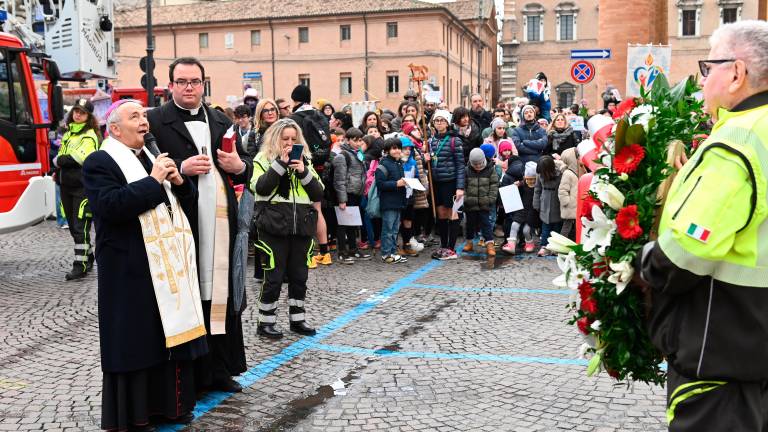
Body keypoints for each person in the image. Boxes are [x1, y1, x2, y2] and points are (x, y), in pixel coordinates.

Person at [636, 20, 768, 431]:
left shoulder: (738, 141)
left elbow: (689, 249)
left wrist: (643, 263)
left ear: (737, 73)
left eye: (708, 67)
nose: (703, 79)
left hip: (723, 346)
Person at [83, 100, 208, 431]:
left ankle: (170, 407)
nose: (144, 121)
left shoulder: (152, 156)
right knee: (136, 341)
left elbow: (182, 206)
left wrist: (180, 183)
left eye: (144, 115)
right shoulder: (100, 161)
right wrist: (153, 182)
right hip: (129, 267)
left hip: (165, 266)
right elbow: (110, 206)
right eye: (134, 116)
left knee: (165, 337)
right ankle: (137, 415)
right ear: (114, 129)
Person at [147, 57, 250, 393]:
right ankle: (188, 375)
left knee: (220, 293)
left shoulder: (221, 119)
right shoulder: (155, 120)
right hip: (181, 220)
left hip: (220, 224)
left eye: (194, 81)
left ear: (203, 84)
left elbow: (247, 164)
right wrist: (181, 167)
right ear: (170, 85)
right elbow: (143, 165)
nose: (189, 87)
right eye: (182, 81)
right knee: (188, 295)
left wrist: (238, 166)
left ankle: (220, 370)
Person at [251, 118, 324, 338]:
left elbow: (318, 193)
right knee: (273, 277)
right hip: (273, 227)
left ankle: (297, 320)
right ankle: (265, 322)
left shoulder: (305, 161)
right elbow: (260, 187)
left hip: (301, 227)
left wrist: (302, 170)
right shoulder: (262, 159)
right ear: (276, 139)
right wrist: (280, 164)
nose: (290, 143)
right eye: (285, 139)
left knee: (299, 276)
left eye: (294, 139)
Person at [54, 99, 100, 280]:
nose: (78, 115)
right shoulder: (69, 133)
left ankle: (80, 266)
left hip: (82, 187)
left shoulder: (89, 134)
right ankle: (88, 256)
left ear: (89, 116)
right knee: (73, 227)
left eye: (82, 112)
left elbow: (77, 158)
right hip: (66, 185)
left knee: (81, 227)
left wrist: (59, 161)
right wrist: (58, 167)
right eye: (76, 111)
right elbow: (62, 155)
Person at [289, 84, 333, 267]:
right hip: (320, 167)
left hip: (302, 166)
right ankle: (324, 253)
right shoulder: (320, 115)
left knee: (302, 211)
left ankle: (307, 255)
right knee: (317, 209)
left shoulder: (294, 119)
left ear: (295, 99)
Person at [428, 109, 465, 260]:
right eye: (437, 120)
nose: (439, 123)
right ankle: (443, 246)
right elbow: (429, 162)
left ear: (447, 123)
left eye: (442, 120)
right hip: (437, 182)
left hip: (451, 182)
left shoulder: (455, 140)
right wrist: (426, 158)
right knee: (441, 214)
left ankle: (451, 248)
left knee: (453, 213)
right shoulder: (430, 141)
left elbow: (461, 165)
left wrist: (460, 187)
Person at [332, 127, 372, 263]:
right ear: (347, 140)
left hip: (356, 193)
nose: (358, 143)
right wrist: (342, 199)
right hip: (347, 194)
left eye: (360, 140)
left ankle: (353, 249)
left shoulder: (358, 154)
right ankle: (342, 252)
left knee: (353, 223)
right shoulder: (342, 156)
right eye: (355, 140)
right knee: (342, 224)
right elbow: (339, 180)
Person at [375, 138, 408, 264]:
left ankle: (393, 253)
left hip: (398, 201)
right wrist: (396, 184)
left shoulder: (398, 163)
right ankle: (386, 254)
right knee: (388, 229)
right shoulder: (383, 164)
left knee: (394, 230)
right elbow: (380, 184)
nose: (397, 150)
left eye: (399, 148)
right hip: (388, 202)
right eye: (394, 148)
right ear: (387, 150)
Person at [461, 148, 499, 256]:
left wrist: (490, 199)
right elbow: (463, 186)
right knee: (469, 224)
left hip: (485, 203)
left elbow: (494, 185)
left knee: (486, 224)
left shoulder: (490, 169)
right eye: (475, 164)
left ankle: (490, 245)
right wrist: (465, 198)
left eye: (479, 163)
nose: (477, 166)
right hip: (470, 203)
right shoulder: (466, 170)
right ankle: (469, 242)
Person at [397, 136, 427, 256]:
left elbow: (417, 177)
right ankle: (395, 246)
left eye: (409, 149)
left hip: (409, 197)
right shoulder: (395, 163)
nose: (408, 151)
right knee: (397, 222)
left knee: (408, 221)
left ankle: (407, 245)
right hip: (398, 197)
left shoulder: (413, 162)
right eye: (405, 149)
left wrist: (418, 184)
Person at [532, 155, 562, 256]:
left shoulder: (560, 174)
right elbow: (537, 189)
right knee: (545, 227)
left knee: (557, 226)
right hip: (544, 201)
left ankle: (556, 247)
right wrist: (536, 203)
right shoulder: (540, 174)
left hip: (556, 201)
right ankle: (544, 246)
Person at [557, 148, 579, 240]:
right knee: (567, 226)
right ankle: (561, 242)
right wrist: (566, 202)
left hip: (576, 205)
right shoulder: (568, 173)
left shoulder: (577, 171)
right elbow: (562, 190)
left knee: (576, 225)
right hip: (570, 205)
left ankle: (575, 241)